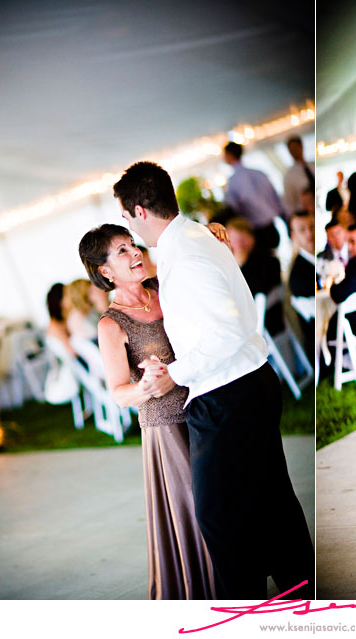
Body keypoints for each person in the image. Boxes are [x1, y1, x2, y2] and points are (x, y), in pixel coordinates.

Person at [112, 161, 314, 599]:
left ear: (140, 211)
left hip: (227, 395)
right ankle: (302, 594)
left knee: (221, 518)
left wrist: (173, 376)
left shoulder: (185, 254)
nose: (129, 227)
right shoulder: (192, 238)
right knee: (271, 505)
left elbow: (226, 333)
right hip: (246, 383)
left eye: (127, 217)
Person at [79, 223, 222, 600]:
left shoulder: (162, 285)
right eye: (121, 251)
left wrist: (208, 233)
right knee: (197, 510)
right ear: (105, 271)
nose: (135, 253)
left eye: (132, 244)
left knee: (226, 499)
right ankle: (210, 592)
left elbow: (193, 261)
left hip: (206, 403)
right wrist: (144, 387)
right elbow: (118, 393)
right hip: (168, 426)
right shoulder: (111, 324)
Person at [226, 217, 284, 336]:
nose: (239, 244)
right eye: (234, 240)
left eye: (242, 239)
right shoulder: (228, 268)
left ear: (251, 238)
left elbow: (259, 292)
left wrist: (242, 265)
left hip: (271, 324)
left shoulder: (268, 260)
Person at [223, 141, 286, 250]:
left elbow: (233, 208)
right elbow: (276, 198)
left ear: (229, 155)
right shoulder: (259, 173)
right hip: (272, 227)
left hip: (256, 232)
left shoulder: (233, 181)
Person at [288, 209, 316, 360]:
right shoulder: (298, 276)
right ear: (294, 236)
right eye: (302, 230)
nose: (309, 233)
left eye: (312, 227)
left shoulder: (322, 257)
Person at [282, 135, 315, 216]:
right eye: (292, 150)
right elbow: (290, 202)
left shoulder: (313, 166)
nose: (295, 152)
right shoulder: (289, 176)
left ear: (301, 147)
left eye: (296, 148)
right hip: (306, 213)